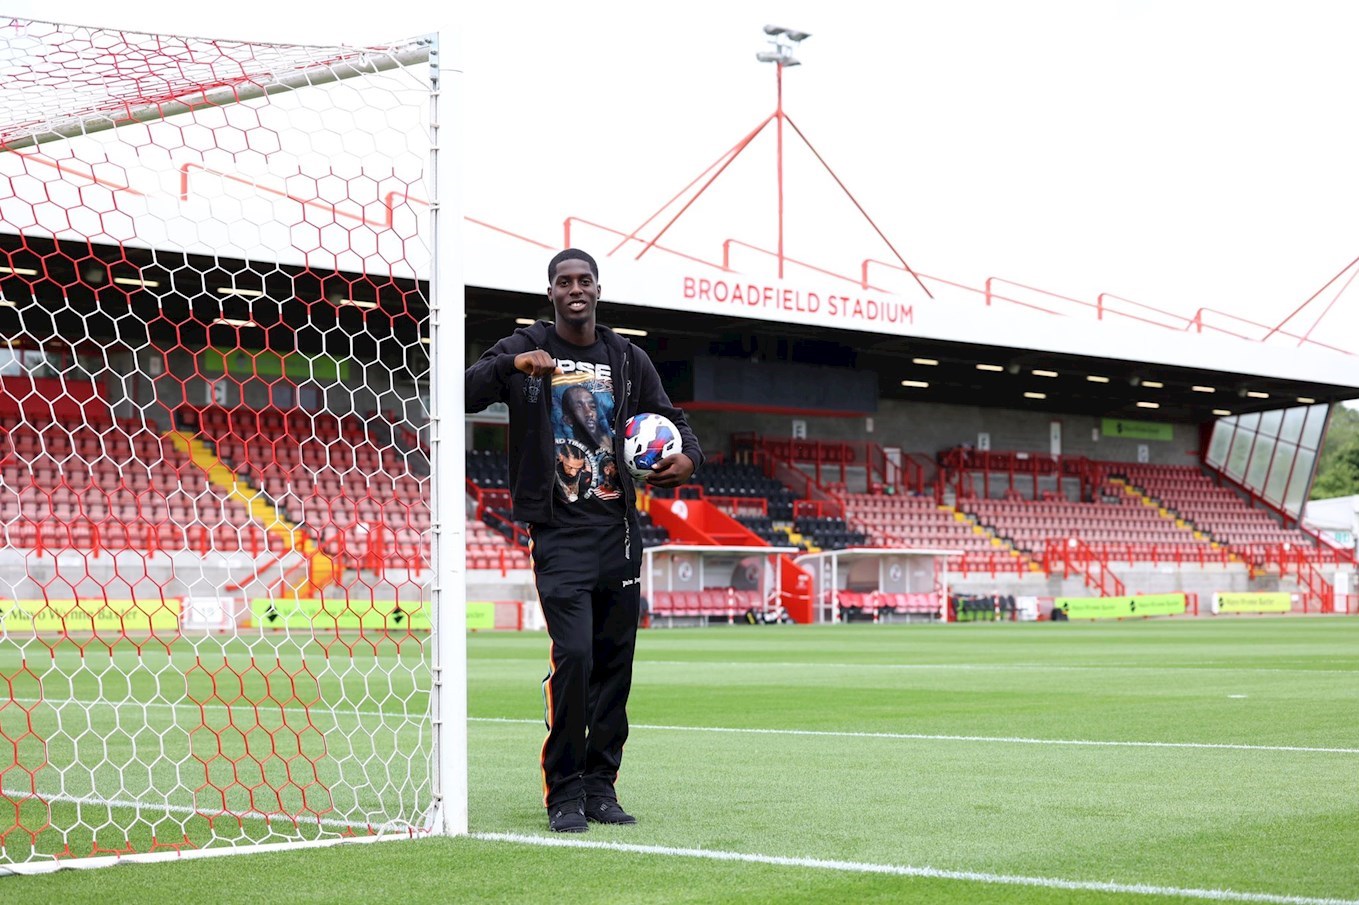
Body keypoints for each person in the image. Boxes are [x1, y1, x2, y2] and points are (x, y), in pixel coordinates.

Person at [465, 248, 703, 833]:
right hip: (557, 531)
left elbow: (673, 417)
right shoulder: (525, 345)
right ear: (550, 293)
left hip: (618, 531)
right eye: (564, 282)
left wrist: (687, 459)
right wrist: (512, 368)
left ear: (598, 290)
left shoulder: (625, 357)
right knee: (574, 656)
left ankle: (601, 787)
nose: (576, 289)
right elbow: (464, 392)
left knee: (614, 666)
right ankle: (563, 791)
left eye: (585, 281)